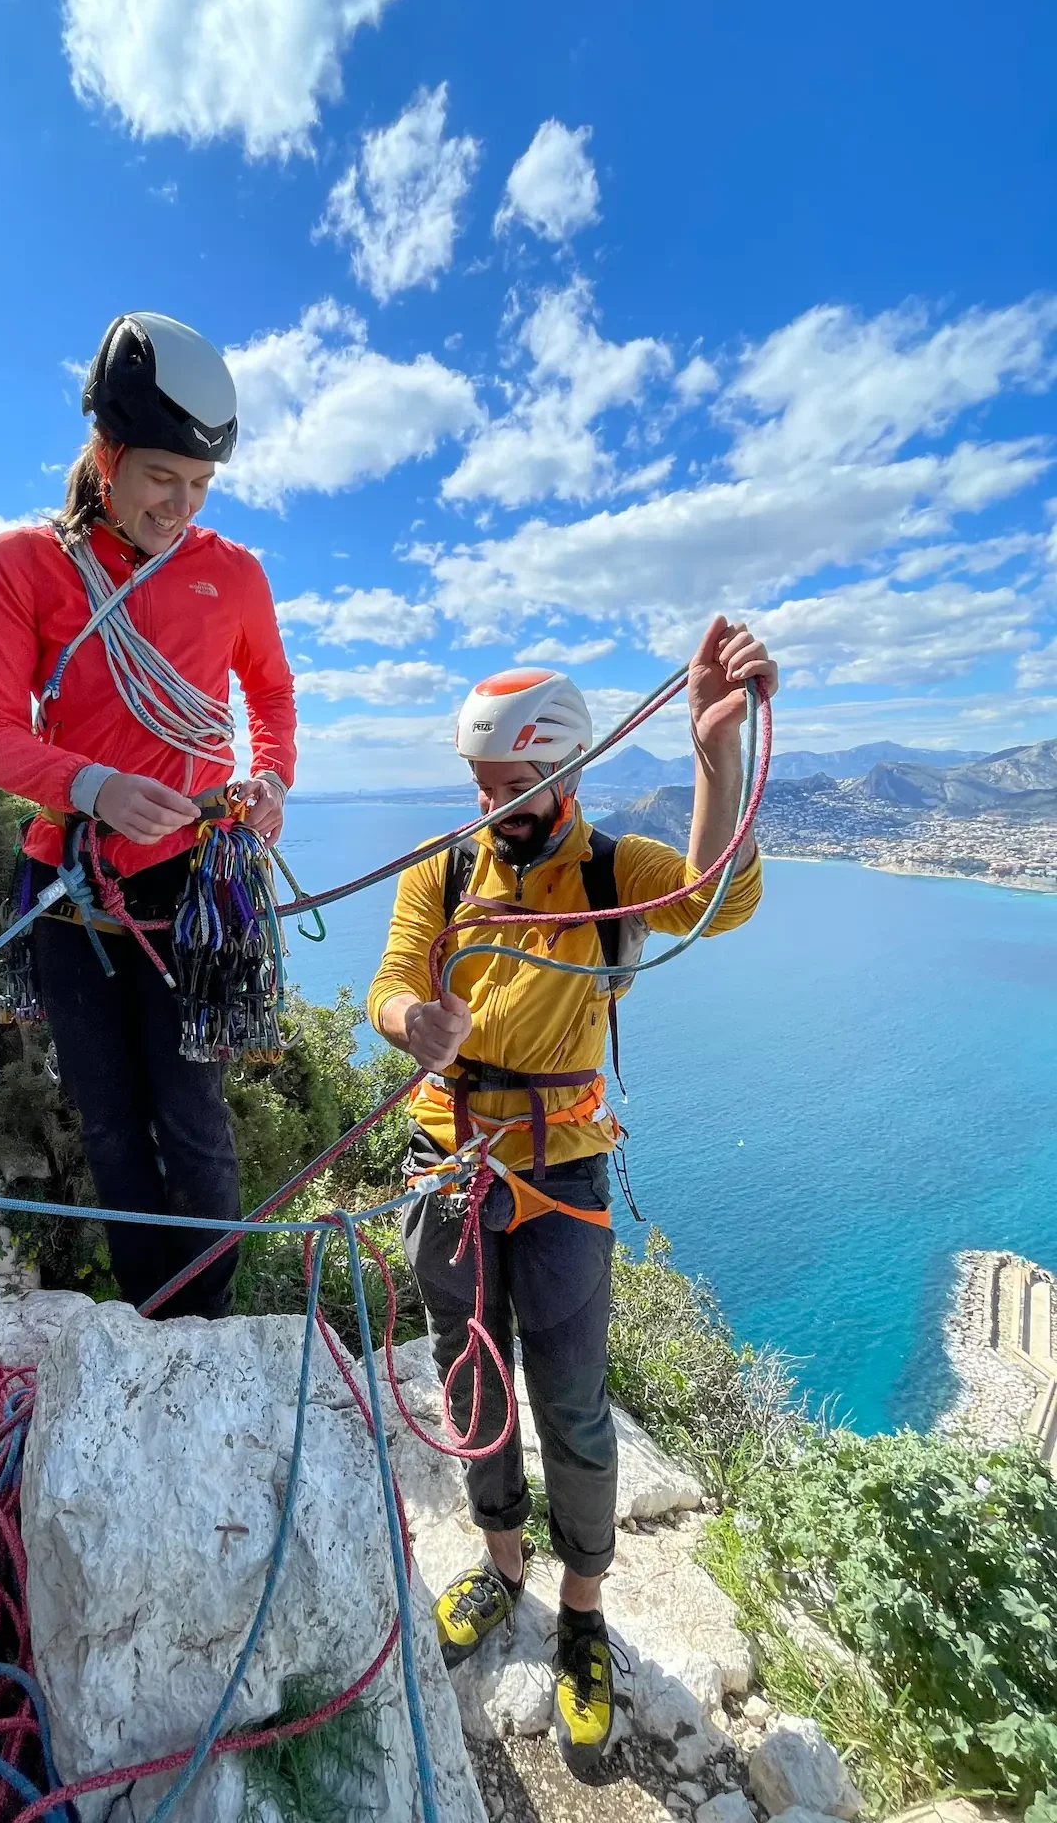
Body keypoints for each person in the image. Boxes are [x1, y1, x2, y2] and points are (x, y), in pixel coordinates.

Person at [367, 618, 777, 1770]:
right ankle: (504, 1569)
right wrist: (415, 1023)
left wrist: (715, 752)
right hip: (449, 1161)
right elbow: (392, 981)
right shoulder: (445, 871)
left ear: (568, 773)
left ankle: (584, 1613)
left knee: (574, 1400)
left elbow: (712, 898)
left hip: (559, 1174)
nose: (499, 807)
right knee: (469, 1372)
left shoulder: (608, 871)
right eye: (485, 785)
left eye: (519, 786)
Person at [0, 311, 297, 1319]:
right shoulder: (24, 565)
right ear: (107, 455)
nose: (181, 506)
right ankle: (152, 1316)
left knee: (191, 1112)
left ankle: (210, 1318)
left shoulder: (231, 573)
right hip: (72, 884)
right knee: (107, 1117)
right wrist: (94, 786)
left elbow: (270, 699)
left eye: (199, 488)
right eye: (162, 478)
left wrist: (270, 777)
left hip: (195, 875)